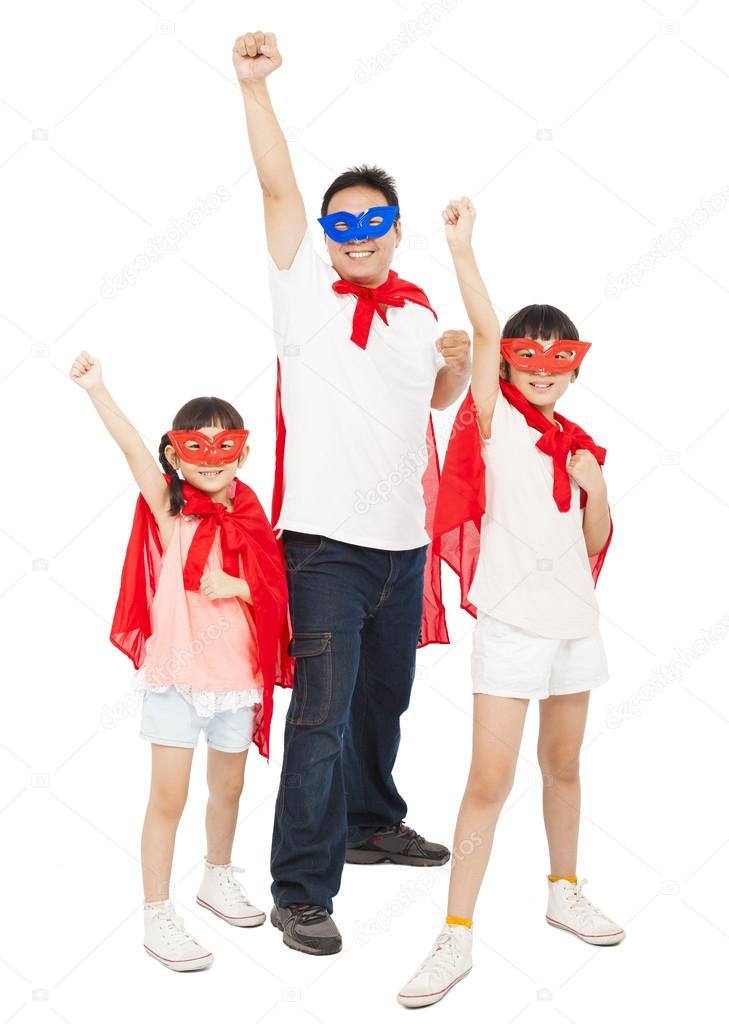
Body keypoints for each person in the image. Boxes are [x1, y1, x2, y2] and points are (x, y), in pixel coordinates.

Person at [233, 30, 471, 956]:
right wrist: (253, 88)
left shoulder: (415, 310)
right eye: (343, 224)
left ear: (396, 230)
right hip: (324, 547)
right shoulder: (304, 290)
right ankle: (300, 887)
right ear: (328, 235)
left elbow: (428, 403)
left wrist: (450, 371)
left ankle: (371, 824)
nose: (357, 235)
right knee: (321, 719)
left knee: (384, 701)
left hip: (402, 547)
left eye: (374, 222)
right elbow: (277, 188)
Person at [396, 198, 624, 1009]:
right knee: (486, 780)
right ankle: (454, 935)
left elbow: (598, 537)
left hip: (574, 628)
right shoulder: (494, 423)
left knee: (562, 764)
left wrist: (594, 487)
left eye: (556, 366)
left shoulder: (580, 445)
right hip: (510, 627)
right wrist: (463, 250)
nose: (541, 374)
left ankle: (563, 888)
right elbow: (486, 334)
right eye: (529, 363)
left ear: (572, 368)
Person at [69, 350, 292, 972]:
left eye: (225, 447)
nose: (211, 459)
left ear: (242, 454)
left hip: (237, 678)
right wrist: (98, 389)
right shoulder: (171, 510)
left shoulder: (253, 517)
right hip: (177, 676)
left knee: (230, 788)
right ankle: (156, 910)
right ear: (177, 454)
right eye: (197, 446)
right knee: (167, 797)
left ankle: (215, 876)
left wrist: (238, 587)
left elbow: (276, 591)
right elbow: (133, 451)